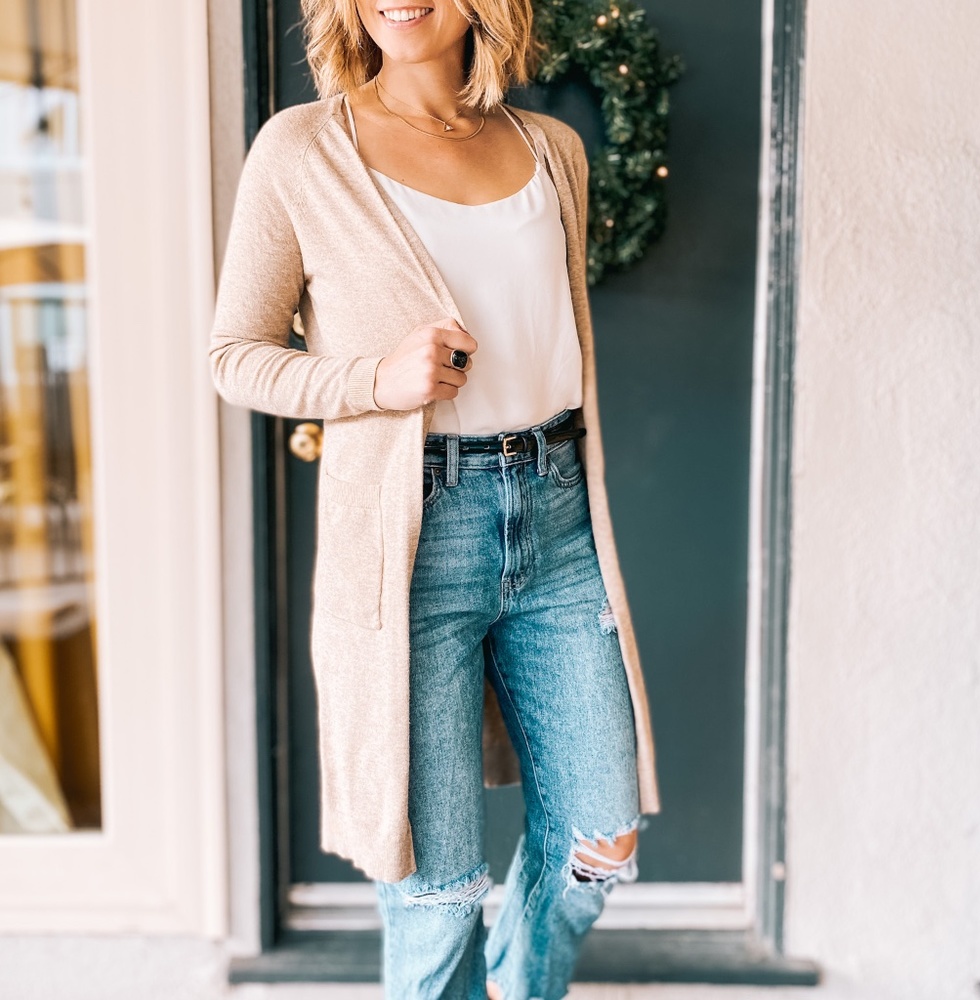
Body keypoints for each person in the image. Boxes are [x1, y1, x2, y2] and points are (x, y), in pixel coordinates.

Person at [210, 0, 662, 995]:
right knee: (436, 888)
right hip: (412, 542)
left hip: (555, 517)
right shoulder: (301, 151)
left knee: (601, 832)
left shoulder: (550, 150)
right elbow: (233, 358)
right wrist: (374, 380)